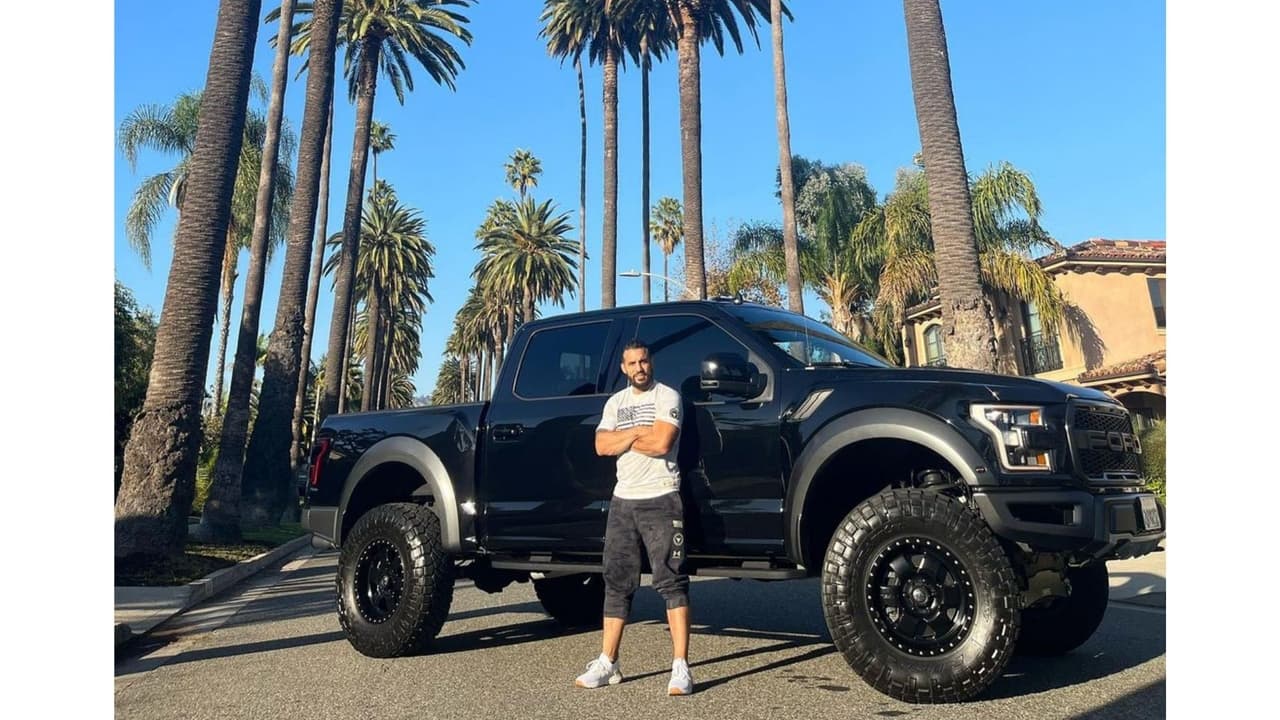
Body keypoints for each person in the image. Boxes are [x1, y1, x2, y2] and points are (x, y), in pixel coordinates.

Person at [574, 338, 692, 696]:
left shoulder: (667, 397)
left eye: (644, 361)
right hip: (623, 500)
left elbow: (661, 444)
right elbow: (599, 446)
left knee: (671, 580)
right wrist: (641, 431)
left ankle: (680, 667)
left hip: (661, 497)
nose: (640, 368)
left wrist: (623, 438)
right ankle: (608, 662)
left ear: (650, 363)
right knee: (616, 582)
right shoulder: (616, 402)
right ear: (624, 369)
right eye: (633, 363)